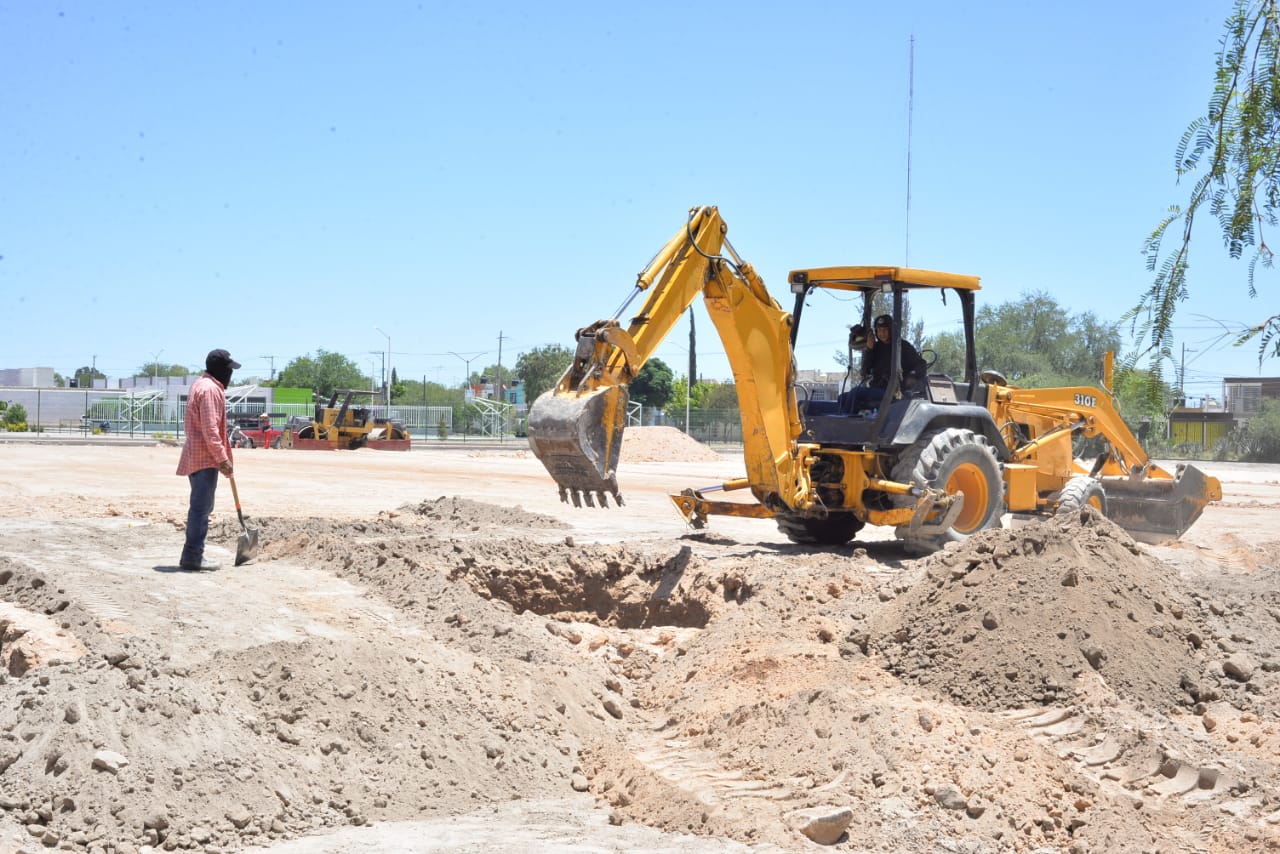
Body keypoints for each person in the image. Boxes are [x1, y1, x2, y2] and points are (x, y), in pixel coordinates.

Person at [176, 349, 240, 570]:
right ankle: (193, 556)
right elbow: (210, 429)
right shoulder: (211, 390)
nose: (231, 375)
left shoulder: (199, 384)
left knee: (200, 507)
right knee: (201, 509)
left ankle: (191, 554)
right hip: (205, 457)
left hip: (197, 454)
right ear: (221, 370)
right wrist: (222, 459)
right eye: (229, 370)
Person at [841, 314, 926, 414]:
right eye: (879, 330)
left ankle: (845, 425)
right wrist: (869, 349)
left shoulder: (902, 346)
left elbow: (921, 364)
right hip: (876, 389)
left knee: (856, 393)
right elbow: (864, 372)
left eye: (885, 330)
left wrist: (912, 375)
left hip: (891, 392)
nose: (882, 333)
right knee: (842, 398)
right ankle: (852, 424)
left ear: (891, 330)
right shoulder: (875, 348)